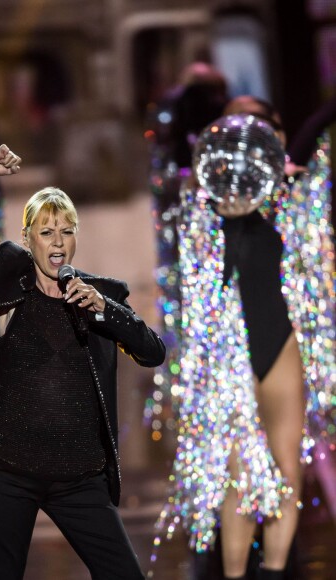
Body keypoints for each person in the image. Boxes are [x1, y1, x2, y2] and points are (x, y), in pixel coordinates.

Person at [0, 144, 166, 579]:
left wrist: (104, 308)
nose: (58, 242)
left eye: (66, 231)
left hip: (80, 478)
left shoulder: (99, 296)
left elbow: (152, 351)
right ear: (28, 238)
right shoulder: (6, 280)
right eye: (47, 232)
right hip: (10, 473)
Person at [153, 105, 335, 580]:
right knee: (238, 480)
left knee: (286, 474)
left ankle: (273, 574)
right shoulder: (199, 208)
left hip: (280, 349)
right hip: (228, 360)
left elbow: (314, 128)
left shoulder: (288, 196)